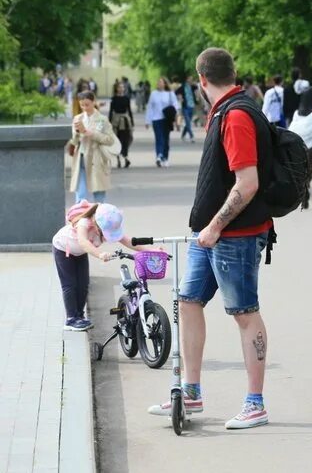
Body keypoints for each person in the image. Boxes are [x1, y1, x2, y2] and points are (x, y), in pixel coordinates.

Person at [147, 47, 272, 430]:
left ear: (201, 80)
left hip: (233, 235)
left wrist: (215, 226)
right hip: (211, 235)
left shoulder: (235, 115)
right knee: (188, 301)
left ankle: (255, 403)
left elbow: (246, 184)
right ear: (232, 73)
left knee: (244, 313)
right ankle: (190, 392)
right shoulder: (229, 109)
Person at [52, 202, 145, 331]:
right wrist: (100, 254)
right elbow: (83, 242)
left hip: (80, 252)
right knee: (70, 284)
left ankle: (79, 315)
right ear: (97, 225)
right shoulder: (84, 223)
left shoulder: (106, 225)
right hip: (63, 249)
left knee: (83, 284)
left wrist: (150, 250)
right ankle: (71, 319)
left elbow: (129, 241)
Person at [69, 91, 115, 203]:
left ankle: (100, 218)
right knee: (81, 194)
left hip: (97, 158)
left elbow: (110, 140)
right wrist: (76, 133)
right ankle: (80, 219)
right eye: (82, 105)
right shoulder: (77, 118)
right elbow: (74, 141)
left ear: (94, 102)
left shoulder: (102, 119)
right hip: (81, 158)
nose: (85, 107)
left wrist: (90, 133)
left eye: (87, 104)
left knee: (99, 194)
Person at [145, 77, 179, 167]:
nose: (159, 84)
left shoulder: (169, 94)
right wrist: (147, 121)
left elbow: (176, 105)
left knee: (165, 139)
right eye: (158, 82)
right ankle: (159, 156)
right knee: (159, 138)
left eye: (161, 82)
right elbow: (150, 107)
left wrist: (174, 114)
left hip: (166, 119)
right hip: (156, 119)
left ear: (165, 84)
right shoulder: (153, 94)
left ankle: (165, 158)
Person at [109, 82, 134, 168]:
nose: (121, 88)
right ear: (116, 88)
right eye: (119, 87)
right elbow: (111, 111)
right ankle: (118, 159)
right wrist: (109, 123)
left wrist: (132, 122)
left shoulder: (127, 98)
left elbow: (129, 110)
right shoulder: (114, 99)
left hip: (125, 121)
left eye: (122, 87)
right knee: (117, 140)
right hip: (116, 122)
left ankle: (126, 158)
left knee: (126, 140)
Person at [179, 75, 197, 142]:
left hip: (192, 106)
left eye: (191, 79)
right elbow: (176, 92)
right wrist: (180, 97)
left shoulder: (193, 87)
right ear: (186, 79)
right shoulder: (183, 86)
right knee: (188, 122)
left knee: (188, 122)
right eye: (190, 79)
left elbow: (198, 89)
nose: (191, 80)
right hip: (185, 107)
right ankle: (191, 136)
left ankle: (183, 135)